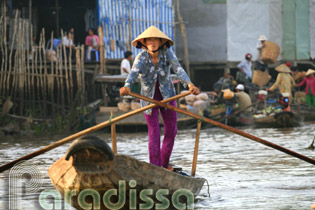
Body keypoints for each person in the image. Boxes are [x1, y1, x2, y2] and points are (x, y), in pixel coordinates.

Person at [120, 25, 199, 170]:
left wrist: (189, 84)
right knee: (154, 132)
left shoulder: (167, 53)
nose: (152, 42)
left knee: (171, 131)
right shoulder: (141, 57)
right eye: (149, 40)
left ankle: (164, 164)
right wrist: (127, 86)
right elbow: (133, 73)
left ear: (161, 42)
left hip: (167, 96)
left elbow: (178, 69)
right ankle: (155, 167)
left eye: (155, 39)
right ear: (144, 42)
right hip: (149, 98)